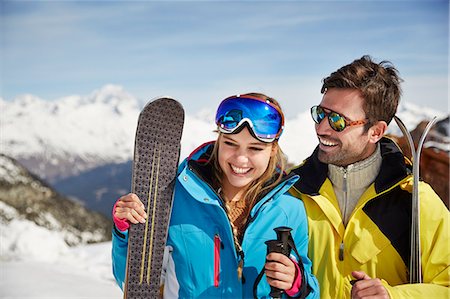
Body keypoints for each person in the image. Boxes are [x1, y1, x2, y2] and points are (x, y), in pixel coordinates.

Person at [112, 93, 319, 298]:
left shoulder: (290, 210)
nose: (241, 159)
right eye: (230, 143)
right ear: (219, 140)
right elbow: (136, 284)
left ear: (273, 150)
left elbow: (309, 292)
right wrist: (126, 232)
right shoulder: (176, 198)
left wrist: (295, 283)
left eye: (255, 148)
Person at [289, 55, 450, 298]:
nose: (322, 128)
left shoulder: (415, 201)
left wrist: (393, 296)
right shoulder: (293, 190)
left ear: (375, 131)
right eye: (320, 114)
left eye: (337, 121)